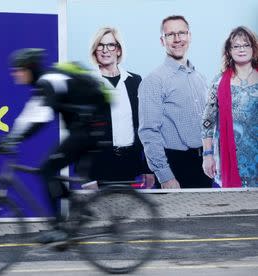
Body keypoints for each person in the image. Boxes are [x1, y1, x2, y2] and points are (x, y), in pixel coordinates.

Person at [0, 48, 111, 242]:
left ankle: (60, 228)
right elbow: (29, 116)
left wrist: (13, 139)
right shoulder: (44, 82)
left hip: (90, 129)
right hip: (86, 128)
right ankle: (78, 211)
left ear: (29, 68)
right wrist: (11, 137)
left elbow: (41, 118)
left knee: (47, 170)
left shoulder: (48, 81)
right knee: (49, 171)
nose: (14, 73)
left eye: (18, 69)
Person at [138, 15, 212, 189]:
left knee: (206, 216)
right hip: (175, 166)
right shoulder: (154, 81)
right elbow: (149, 132)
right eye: (171, 34)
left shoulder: (200, 78)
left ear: (189, 36)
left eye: (182, 33)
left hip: (204, 165)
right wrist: (165, 176)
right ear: (162, 41)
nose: (177, 39)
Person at [84, 26, 154, 188]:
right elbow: (81, 130)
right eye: (100, 45)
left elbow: (143, 126)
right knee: (101, 212)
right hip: (99, 164)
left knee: (130, 211)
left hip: (130, 162)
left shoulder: (134, 81)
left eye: (110, 45)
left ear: (119, 50)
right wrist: (87, 175)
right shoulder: (87, 83)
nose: (105, 50)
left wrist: (147, 168)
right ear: (95, 51)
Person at [201, 26, 258, 188]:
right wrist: (207, 155)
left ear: (253, 48)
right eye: (236, 46)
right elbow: (207, 122)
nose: (241, 49)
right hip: (230, 159)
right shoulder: (218, 82)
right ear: (229, 51)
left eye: (246, 45)